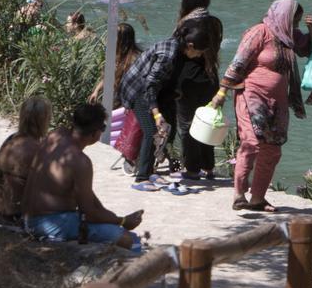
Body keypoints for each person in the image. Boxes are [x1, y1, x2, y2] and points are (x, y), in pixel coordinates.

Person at [210, 0, 312, 211]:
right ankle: (239, 194)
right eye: (293, 19)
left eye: (296, 21)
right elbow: (238, 62)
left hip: (278, 103)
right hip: (252, 96)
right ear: (283, 16)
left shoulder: (290, 37)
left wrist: (311, 30)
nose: (295, 24)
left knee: (272, 150)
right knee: (251, 142)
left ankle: (258, 198)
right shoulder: (260, 32)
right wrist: (221, 92)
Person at [21, 104, 144, 250]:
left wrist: (111, 216)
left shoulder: (56, 134)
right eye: (103, 128)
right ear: (94, 134)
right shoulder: (81, 161)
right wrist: (123, 221)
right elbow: (89, 214)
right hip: (49, 224)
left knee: (112, 224)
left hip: (28, 218)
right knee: (128, 239)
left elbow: (84, 193)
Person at [120, 17, 215, 192]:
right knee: (152, 131)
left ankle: (152, 171)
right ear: (191, 46)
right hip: (138, 91)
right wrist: (156, 114)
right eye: (200, 52)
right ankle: (142, 177)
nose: (200, 56)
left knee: (167, 130)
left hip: (158, 92)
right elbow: (150, 85)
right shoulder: (168, 54)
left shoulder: (179, 47)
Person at [175, 16, 223, 180]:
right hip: (209, 83)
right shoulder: (212, 37)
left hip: (187, 84)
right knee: (207, 124)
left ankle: (192, 169)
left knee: (188, 126)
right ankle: (208, 167)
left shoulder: (187, 35)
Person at [0, 96, 52, 221]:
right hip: (17, 214)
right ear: (44, 120)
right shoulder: (38, 149)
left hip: (0, 208)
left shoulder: (10, 140)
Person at [88, 23, 143, 108]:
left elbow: (137, 88)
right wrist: (96, 90)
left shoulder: (135, 60)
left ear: (123, 40)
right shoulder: (116, 55)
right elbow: (108, 76)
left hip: (128, 106)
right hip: (116, 100)